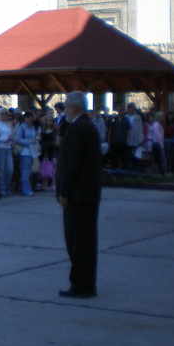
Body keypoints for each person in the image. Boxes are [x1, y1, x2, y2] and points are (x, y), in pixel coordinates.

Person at [56, 92, 102, 298]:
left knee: (78, 242)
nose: (64, 110)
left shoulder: (78, 129)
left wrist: (64, 191)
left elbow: (71, 165)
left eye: (66, 106)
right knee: (85, 240)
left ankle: (81, 285)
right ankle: (85, 283)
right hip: (87, 193)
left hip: (78, 195)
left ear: (74, 107)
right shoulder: (87, 126)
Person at [15, 111, 39, 197]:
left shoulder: (33, 127)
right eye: (30, 118)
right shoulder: (21, 127)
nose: (31, 119)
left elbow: (35, 138)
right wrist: (29, 142)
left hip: (33, 152)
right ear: (26, 118)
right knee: (25, 171)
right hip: (25, 152)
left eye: (32, 118)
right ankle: (26, 190)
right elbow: (17, 139)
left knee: (30, 172)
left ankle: (27, 188)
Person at [0, 109, 14, 197]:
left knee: (10, 169)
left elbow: (12, 134)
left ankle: (7, 187)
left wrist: (11, 139)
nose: (4, 115)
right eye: (2, 114)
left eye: (5, 114)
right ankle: (2, 189)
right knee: (1, 170)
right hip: (0, 148)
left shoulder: (9, 124)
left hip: (8, 148)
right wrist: (3, 140)